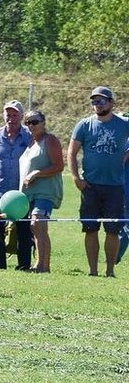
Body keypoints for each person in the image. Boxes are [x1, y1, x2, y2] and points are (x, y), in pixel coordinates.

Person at [67, 86, 129, 277]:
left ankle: (110, 271)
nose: (97, 104)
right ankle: (93, 271)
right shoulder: (84, 125)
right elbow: (71, 152)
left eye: (101, 101)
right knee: (90, 229)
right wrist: (76, 178)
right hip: (90, 186)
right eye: (94, 101)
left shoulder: (123, 124)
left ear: (111, 103)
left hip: (115, 186)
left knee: (113, 231)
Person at [0, 100, 33, 270]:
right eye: (8, 114)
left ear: (21, 116)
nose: (11, 118)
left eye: (15, 114)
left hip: (21, 193)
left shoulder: (29, 136)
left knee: (23, 229)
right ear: (3, 115)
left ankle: (24, 264)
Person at [20, 111, 64, 274]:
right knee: (36, 227)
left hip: (46, 192)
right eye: (28, 122)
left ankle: (42, 265)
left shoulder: (50, 140)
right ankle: (42, 265)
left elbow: (59, 166)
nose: (31, 125)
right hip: (30, 193)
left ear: (43, 122)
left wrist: (36, 173)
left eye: (35, 121)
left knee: (37, 223)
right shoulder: (31, 143)